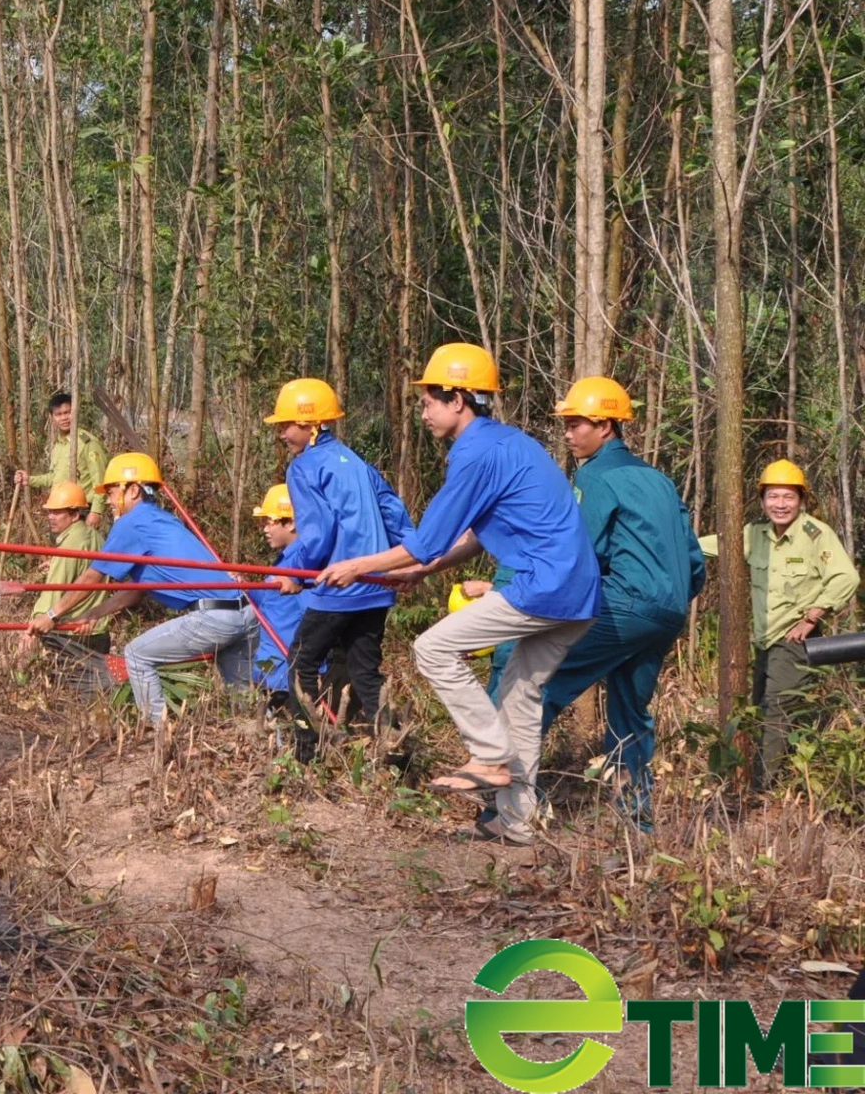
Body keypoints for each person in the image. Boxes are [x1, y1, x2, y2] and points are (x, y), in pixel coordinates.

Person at [320, 343, 601, 846]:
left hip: (544, 587)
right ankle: (516, 824)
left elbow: (425, 540)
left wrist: (356, 565)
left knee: (432, 648)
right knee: (520, 698)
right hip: (579, 595)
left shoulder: (474, 452)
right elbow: (469, 535)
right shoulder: (507, 444)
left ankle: (488, 755)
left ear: (457, 400)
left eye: (428, 401)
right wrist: (424, 572)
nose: (423, 412)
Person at [533, 377, 706, 830]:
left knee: (536, 683)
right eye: (566, 425)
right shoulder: (658, 479)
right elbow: (693, 559)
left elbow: (579, 550)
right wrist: (669, 599)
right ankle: (637, 819)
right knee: (631, 712)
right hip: (668, 612)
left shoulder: (595, 475)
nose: (568, 434)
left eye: (576, 425)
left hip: (626, 605)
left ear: (606, 426)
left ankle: (514, 796)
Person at [28, 452, 258, 728]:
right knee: (244, 701)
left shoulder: (132, 523)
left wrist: (51, 615)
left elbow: (92, 577)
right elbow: (138, 590)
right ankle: (265, 744)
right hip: (245, 612)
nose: (109, 501)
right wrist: (94, 613)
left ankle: (159, 733)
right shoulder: (162, 519)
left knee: (137, 655)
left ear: (133, 490)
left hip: (212, 617)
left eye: (112, 492)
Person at [265, 377, 414, 741]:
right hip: (374, 589)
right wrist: (408, 560)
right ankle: (393, 746)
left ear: (310, 423)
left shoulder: (304, 467)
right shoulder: (357, 462)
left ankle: (306, 750)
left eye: (286, 425)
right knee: (365, 672)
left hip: (337, 587)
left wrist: (294, 574)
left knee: (300, 667)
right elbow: (394, 513)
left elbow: (317, 534)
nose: (282, 434)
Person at [699, 459, 859, 791]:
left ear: (801, 500)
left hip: (795, 639)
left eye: (788, 497)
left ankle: (761, 788)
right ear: (762, 500)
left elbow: (846, 577)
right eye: (773, 497)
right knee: (757, 707)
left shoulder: (815, 534)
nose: (780, 504)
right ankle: (750, 776)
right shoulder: (754, 534)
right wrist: (673, 544)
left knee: (775, 710)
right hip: (764, 640)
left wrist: (813, 615)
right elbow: (715, 546)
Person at [250, 485, 317, 760]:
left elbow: (307, 607)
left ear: (291, 523)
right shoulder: (285, 560)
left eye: (270, 522)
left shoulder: (304, 562)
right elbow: (270, 600)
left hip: (288, 670)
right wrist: (245, 584)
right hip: (274, 670)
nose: (265, 529)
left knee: (298, 736)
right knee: (279, 733)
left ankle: (301, 768)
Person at [14, 481, 113, 664]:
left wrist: (35, 626)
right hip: (98, 630)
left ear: (75, 514)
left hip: (70, 635)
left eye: (58, 512)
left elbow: (53, 593)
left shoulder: (69, 545)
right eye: (50, 512)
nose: (51, 517)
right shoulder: (95, 537)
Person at [17, 392, 110, 530]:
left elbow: (100, 480)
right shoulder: (58, 445)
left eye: (67, 412)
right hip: (61, 511)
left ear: (75, 412)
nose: (64, 418)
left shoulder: (87, 442)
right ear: (52, 417)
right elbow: (55, 478)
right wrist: (29, 480)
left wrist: (96, 511)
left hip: (83, 510)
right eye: (58, 414)